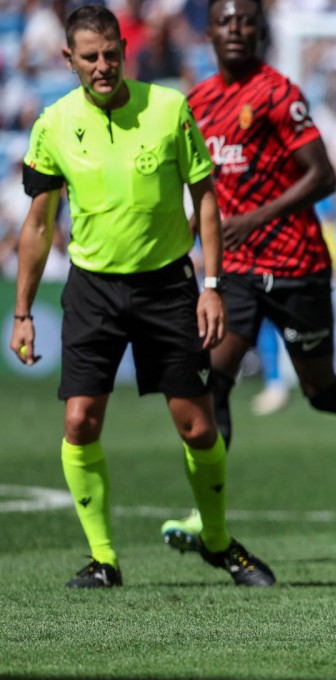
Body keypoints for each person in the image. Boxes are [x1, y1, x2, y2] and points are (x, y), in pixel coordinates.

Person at [8, 4, 273, 588]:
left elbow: (205, 198)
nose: (103, 66)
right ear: (68, 59)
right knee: (79, 421)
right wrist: (22, 311)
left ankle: (219, 541)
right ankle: (104, 560)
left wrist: (210, 285)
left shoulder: (168, 108)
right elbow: (36, 223)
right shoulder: (52, 123)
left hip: (168, 287)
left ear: (124, 50)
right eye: (90, 57)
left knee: (198, 429)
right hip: (92, 290)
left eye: (111, 54)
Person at [159, 0, 336, 553]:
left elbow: (324, 176)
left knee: (320, 389)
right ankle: (205, 514)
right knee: (211, 377)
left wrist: (253, 219)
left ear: (261, 30)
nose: (236, 29)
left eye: (246, 20)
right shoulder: (197, 103)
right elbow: (202, 188)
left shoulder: (278, 93)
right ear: (208, 31)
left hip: (296, 265)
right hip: (235, 269)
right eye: (225, 21)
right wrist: (190, 231)